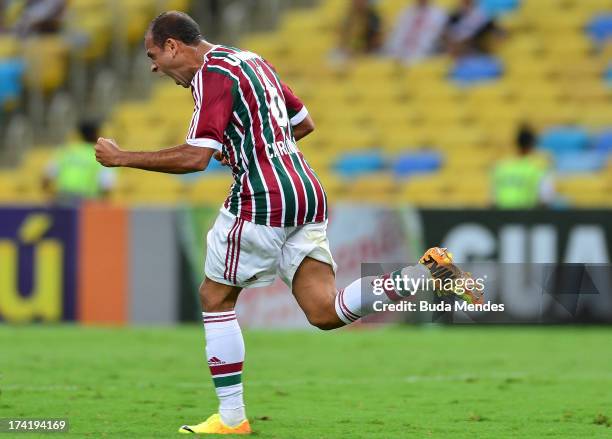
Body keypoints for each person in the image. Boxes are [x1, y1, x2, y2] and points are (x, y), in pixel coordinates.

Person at [94, 11, 483, 435]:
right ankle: (424, 274)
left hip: (263, 198)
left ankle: (230, 419)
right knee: (325, 311)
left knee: (215, 297)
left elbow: (194, 157)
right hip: (306, 190)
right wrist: (246, 146)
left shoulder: (211, 75)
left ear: (173, 46)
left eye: (153, 54)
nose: (153, 67)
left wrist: (122, 157)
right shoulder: (251, 61)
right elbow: (304, 124)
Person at [44, 120, 115, 204]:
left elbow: (46, 179)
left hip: (62, 199)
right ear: (97, 133)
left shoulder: (66, 150)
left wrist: (53, 196)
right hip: (88, 202)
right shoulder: (102, 154)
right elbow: (106, 186)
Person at [492, 124, 555, 209]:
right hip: (527, 215)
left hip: (502, 215)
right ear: (531, 145)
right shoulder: (539, 168)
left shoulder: (501, 167)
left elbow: (493, 198)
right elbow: (546, 198)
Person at [384, 0, 447, 65]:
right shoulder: (406, 11)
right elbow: (396, 34)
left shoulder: (439, 14)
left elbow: (432, 39)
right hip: (397, 53)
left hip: (423, 55)